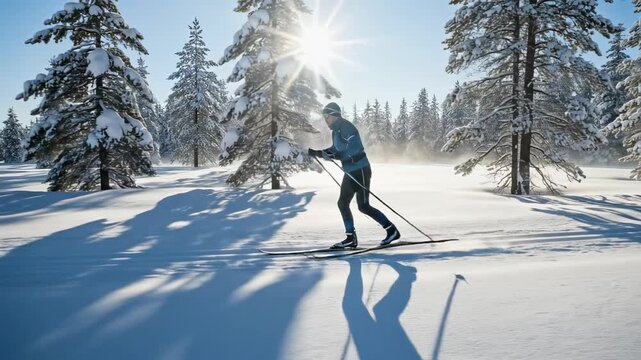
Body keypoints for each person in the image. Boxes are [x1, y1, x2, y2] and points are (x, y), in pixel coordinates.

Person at [308, 102, 400, 249]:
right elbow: (335, 149)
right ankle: (350, 238)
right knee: (342, 203)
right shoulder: (336, 131)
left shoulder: (346, 127)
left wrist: (335, 155)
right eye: (324, 117)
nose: (326, 120)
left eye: (327, 117)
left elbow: (352, 149)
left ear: (334, 115)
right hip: (350, 171)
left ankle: (392, 230)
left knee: (363, 206)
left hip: (361, 169)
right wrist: (317, 152)